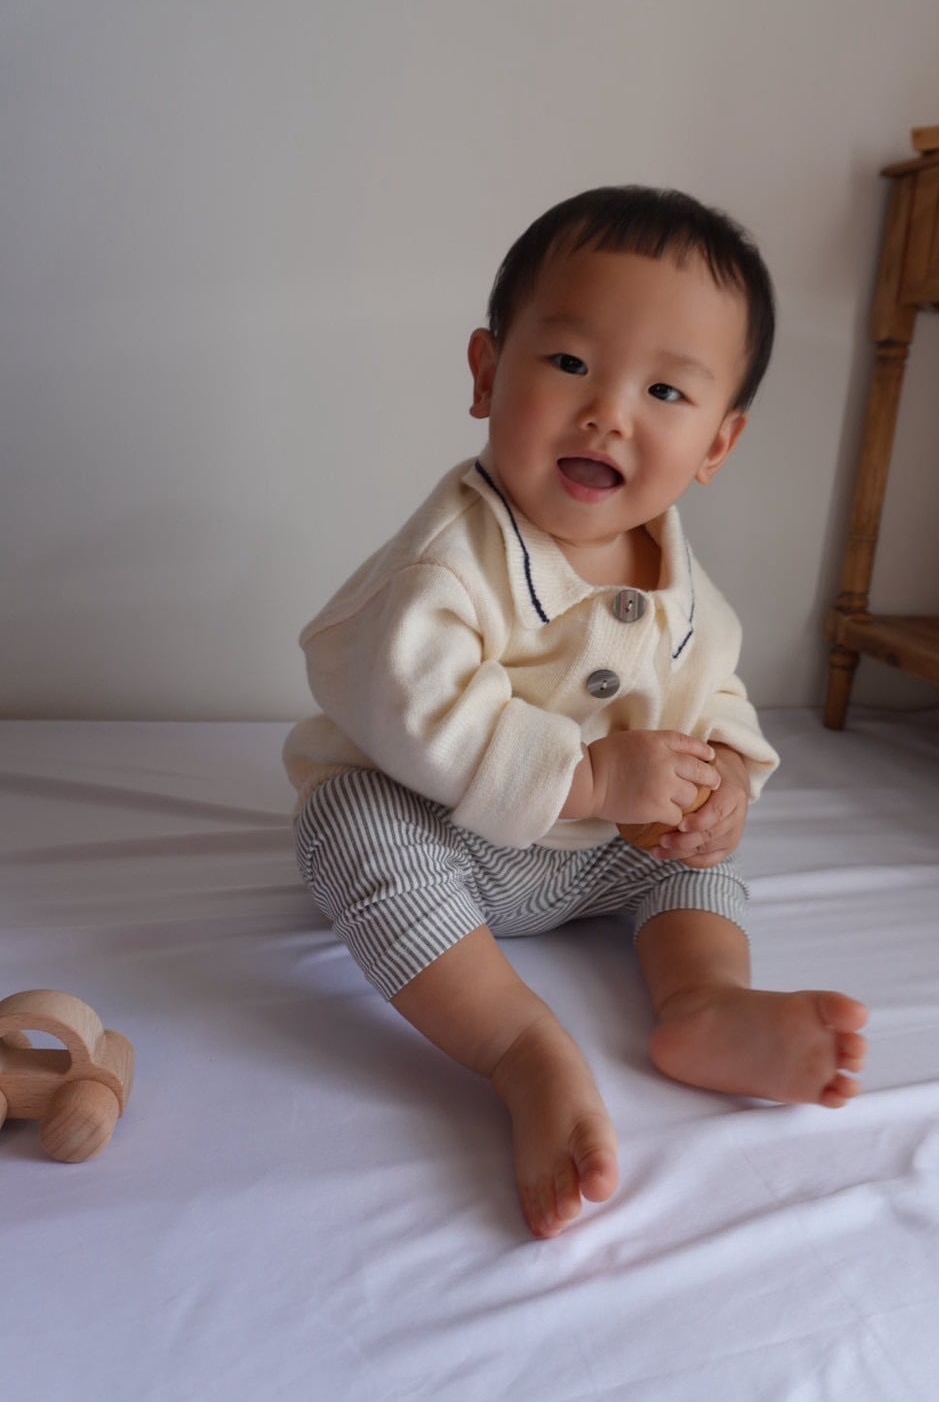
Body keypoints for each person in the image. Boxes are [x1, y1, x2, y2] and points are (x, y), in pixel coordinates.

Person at [284, 185, 868, 1239]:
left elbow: (715, 691)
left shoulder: (684, 587)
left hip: (601, 856)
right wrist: (593, 777)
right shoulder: (448, 559)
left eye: (664, 389)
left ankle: (704, 1002)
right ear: (485, 372)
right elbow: (408, 698)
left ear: (717, 444)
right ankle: (519, 1045)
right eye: (567, 362)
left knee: (698, 859)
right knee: (348, 823)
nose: (608, 411)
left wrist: (722, 781)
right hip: (449, 834)